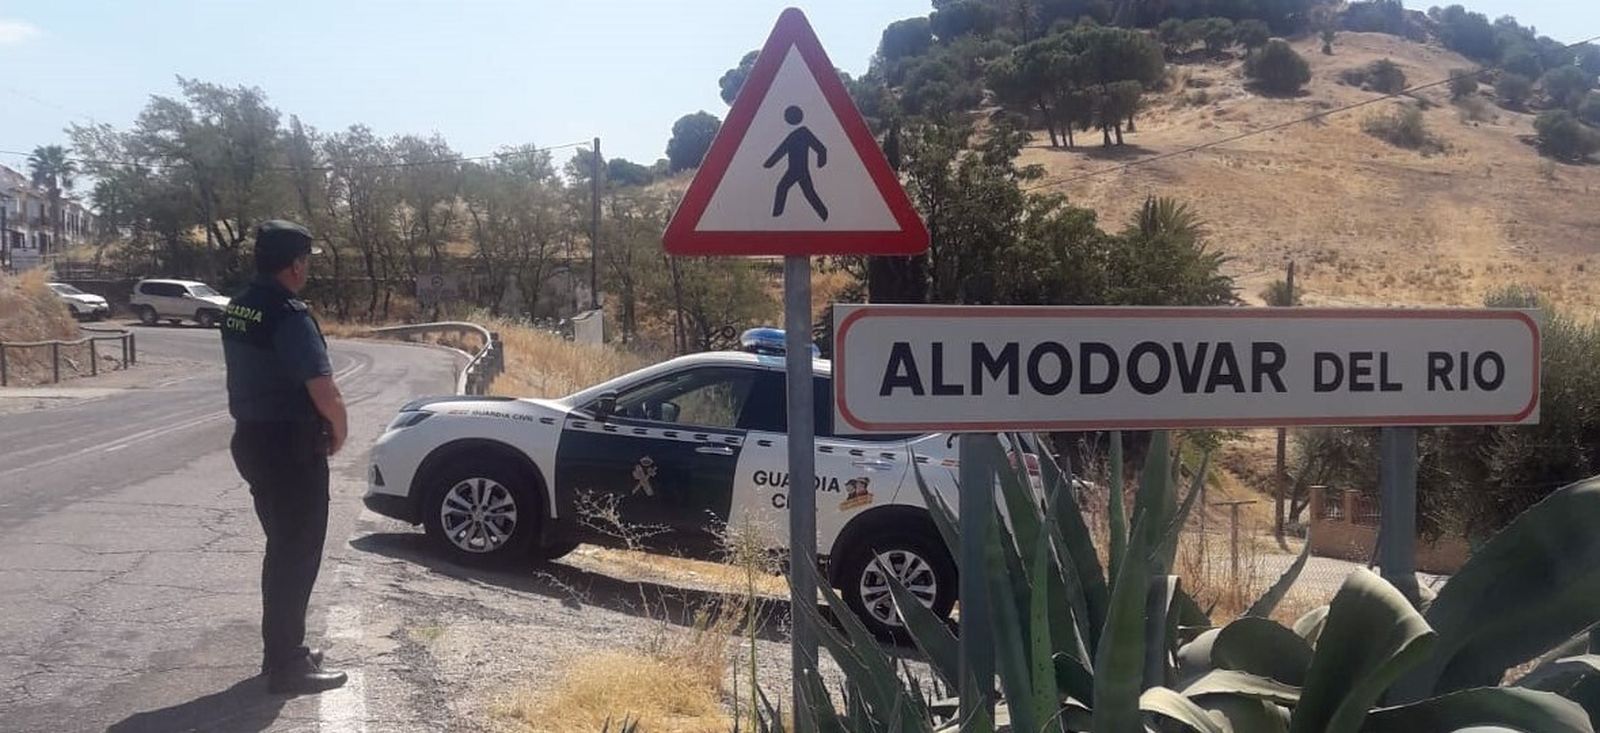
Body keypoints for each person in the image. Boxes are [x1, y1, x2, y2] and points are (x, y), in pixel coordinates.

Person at [222, 219, 348, 694]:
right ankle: (287, 664)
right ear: (296, 264)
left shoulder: (240, 305)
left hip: (252, 440)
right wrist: (339, 427)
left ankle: (281, 651)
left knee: (283, 550)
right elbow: (323, 388)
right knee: (297, 554)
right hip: (290, 447)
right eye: (307, 261)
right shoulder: (288, 313)